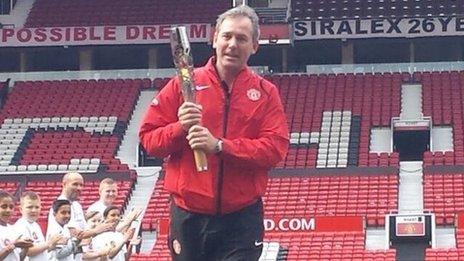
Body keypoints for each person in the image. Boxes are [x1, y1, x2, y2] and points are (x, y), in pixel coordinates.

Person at [139, 5, 288, 261]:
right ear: (214, 38)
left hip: (241, 218)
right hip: (188, 217)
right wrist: (179, 128)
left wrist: (220, 146)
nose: (232, 44)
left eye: (241, 38)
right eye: (227, 36)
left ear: (254, 46)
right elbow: (149, 141)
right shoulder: (181, 85)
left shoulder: (265, 93)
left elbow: (275, 149)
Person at [14, 191, 63, 261]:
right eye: (30, 207)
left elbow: (40, 250)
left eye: (37, 207)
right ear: (21, 209)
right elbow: (28, 252)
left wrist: (53, 245)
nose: (34, 210)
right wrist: (48, 243)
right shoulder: (21, 226)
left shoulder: (35, 225)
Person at [0, 190, 34, 261]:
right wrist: (13, 245)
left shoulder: (12, 229)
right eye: (4, 206)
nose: (8, 210)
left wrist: (26, 247)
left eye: (11, 207)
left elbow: (18, 258)